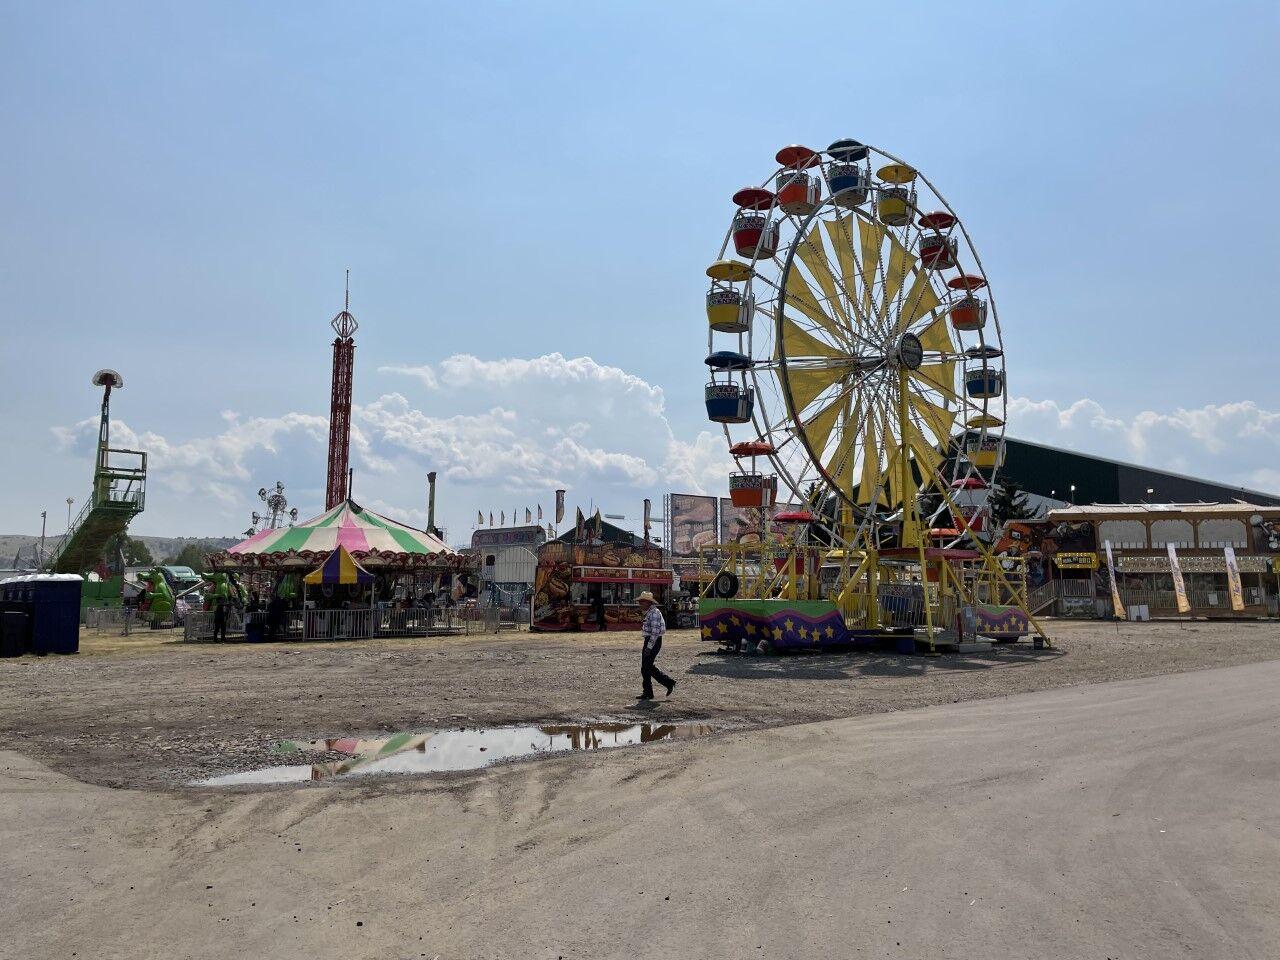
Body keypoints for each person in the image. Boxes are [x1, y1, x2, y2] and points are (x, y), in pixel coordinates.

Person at [637, 591, 675, 700]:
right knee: (647, 667)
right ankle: (661, 686)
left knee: (646, 667)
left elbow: (654, 633)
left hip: (653, 641)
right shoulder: (651, 612)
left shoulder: (654, 613)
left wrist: (649, 647)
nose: (640, 604)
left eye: (641, 602)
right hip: (652, 640)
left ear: (648, 602)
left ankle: (662, 685)